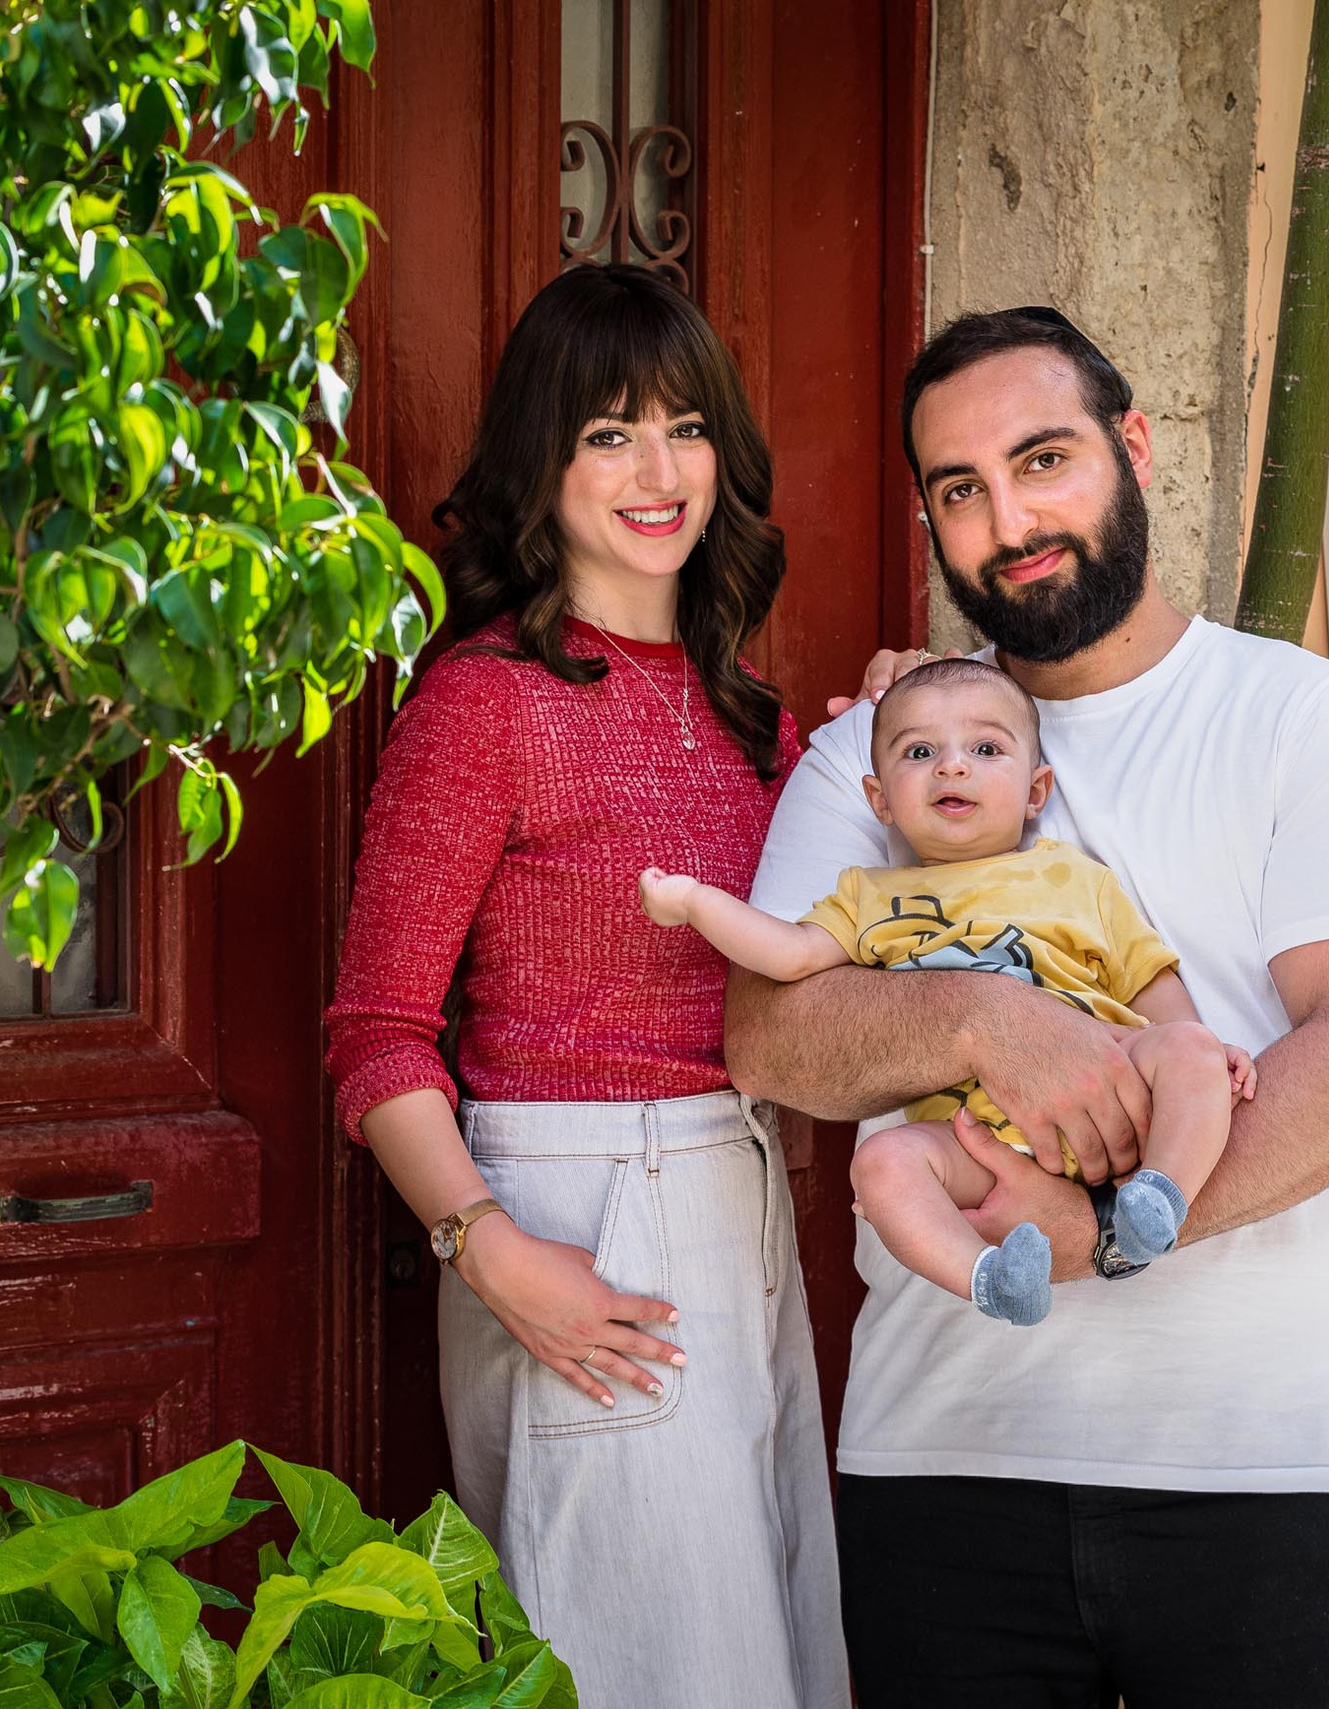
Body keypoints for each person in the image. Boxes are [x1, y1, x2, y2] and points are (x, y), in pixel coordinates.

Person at [729, 306, 1329, 1709]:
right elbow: (772, 1036)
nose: (1010, 518)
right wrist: (981, 1023)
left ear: (1131, 447)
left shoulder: (1310, 720)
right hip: (945, 1462)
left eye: (1044, 458)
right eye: (962, 488)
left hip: (1261, 1468)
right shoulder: (879, 756)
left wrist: (1100, 1240)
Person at [322, 263, 844, 1709]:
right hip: (571, 1213)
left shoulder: (753, 716)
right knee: (638, 1668)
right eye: (608, 433)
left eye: (683, 426)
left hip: (740, 1205)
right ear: (541, 461)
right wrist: (489, 1252)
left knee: (761, 1654)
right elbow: (375, 1038)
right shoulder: (484, 703)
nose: (656, 469)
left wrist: (903, 752)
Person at [637, 656, 1255, 1327]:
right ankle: (991, 1279)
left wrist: (1203, 1051)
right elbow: (787, 957)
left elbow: (1149, 981)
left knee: (1193, 1048)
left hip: (1115, 1090)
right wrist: (698, 902)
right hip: (974, 1142)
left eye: (986, 748)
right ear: (881, 800)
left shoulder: (1076, 879)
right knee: (881, 1166)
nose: (952, 766)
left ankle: (1158, 1197)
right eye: (920, 751)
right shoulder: (869, 897)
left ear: (1035, 790)